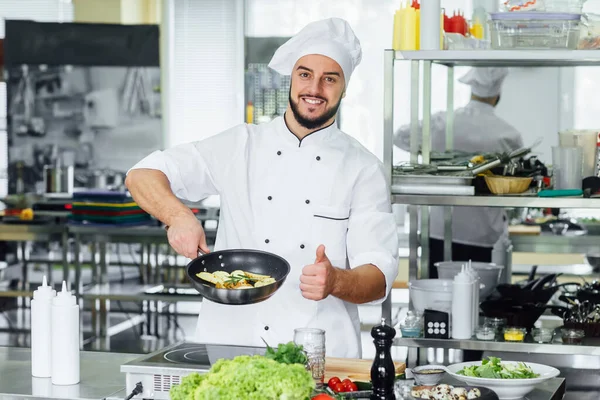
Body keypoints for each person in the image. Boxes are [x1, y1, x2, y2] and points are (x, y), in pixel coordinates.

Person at [125, 18, 399, 358]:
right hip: (231, 344)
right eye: (305, 74)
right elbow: (143, 174)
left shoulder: (364, 168)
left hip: (318, 351)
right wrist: (178, 216)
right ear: (291, 78)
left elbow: (378, 276)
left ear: (344, 88)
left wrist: (336, 281)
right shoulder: (240, 145)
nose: (314, 88)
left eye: (330, 78)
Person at [394, 67, 524, 277]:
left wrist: (426, 150)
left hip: (437, 231)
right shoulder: (508, 134)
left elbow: (400, 136)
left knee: (437, 299)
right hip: (483, 236)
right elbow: (517, 178)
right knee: (480, 301)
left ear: (471, 89)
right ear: (497, 94)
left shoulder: (441, 123)